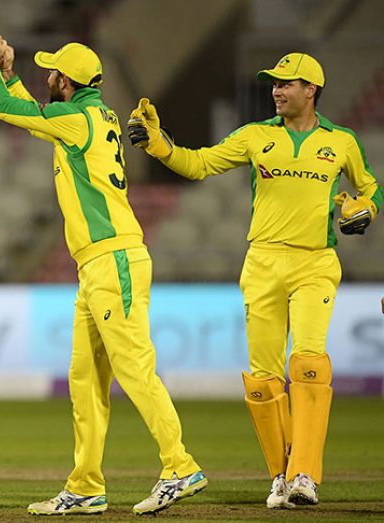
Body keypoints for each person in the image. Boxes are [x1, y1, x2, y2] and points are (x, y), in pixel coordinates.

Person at [127, 52, 383, 509]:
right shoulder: (255, 136)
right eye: (274, 83)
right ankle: (281, 477)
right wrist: (157, 144)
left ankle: (306, 474)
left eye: (287, 83)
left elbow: (370, 188)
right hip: (262, 264)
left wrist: (366, 207)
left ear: (312, 90)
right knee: (263, 381)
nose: (277, 90)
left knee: (308, 364)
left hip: (315, 264)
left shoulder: (341, 142)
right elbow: (200, 163)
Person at [0, 36, 207, 516]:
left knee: (134, 368)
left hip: (113, 258)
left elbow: (5, 110)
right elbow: (33, 114)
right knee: (85, 378)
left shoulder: (77, 118)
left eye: (53, 72)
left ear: (68, 80)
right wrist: (13, 76)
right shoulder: (92, 115)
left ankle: (180, 466)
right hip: (98, 262)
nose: (49, 77)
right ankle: (85, 484)